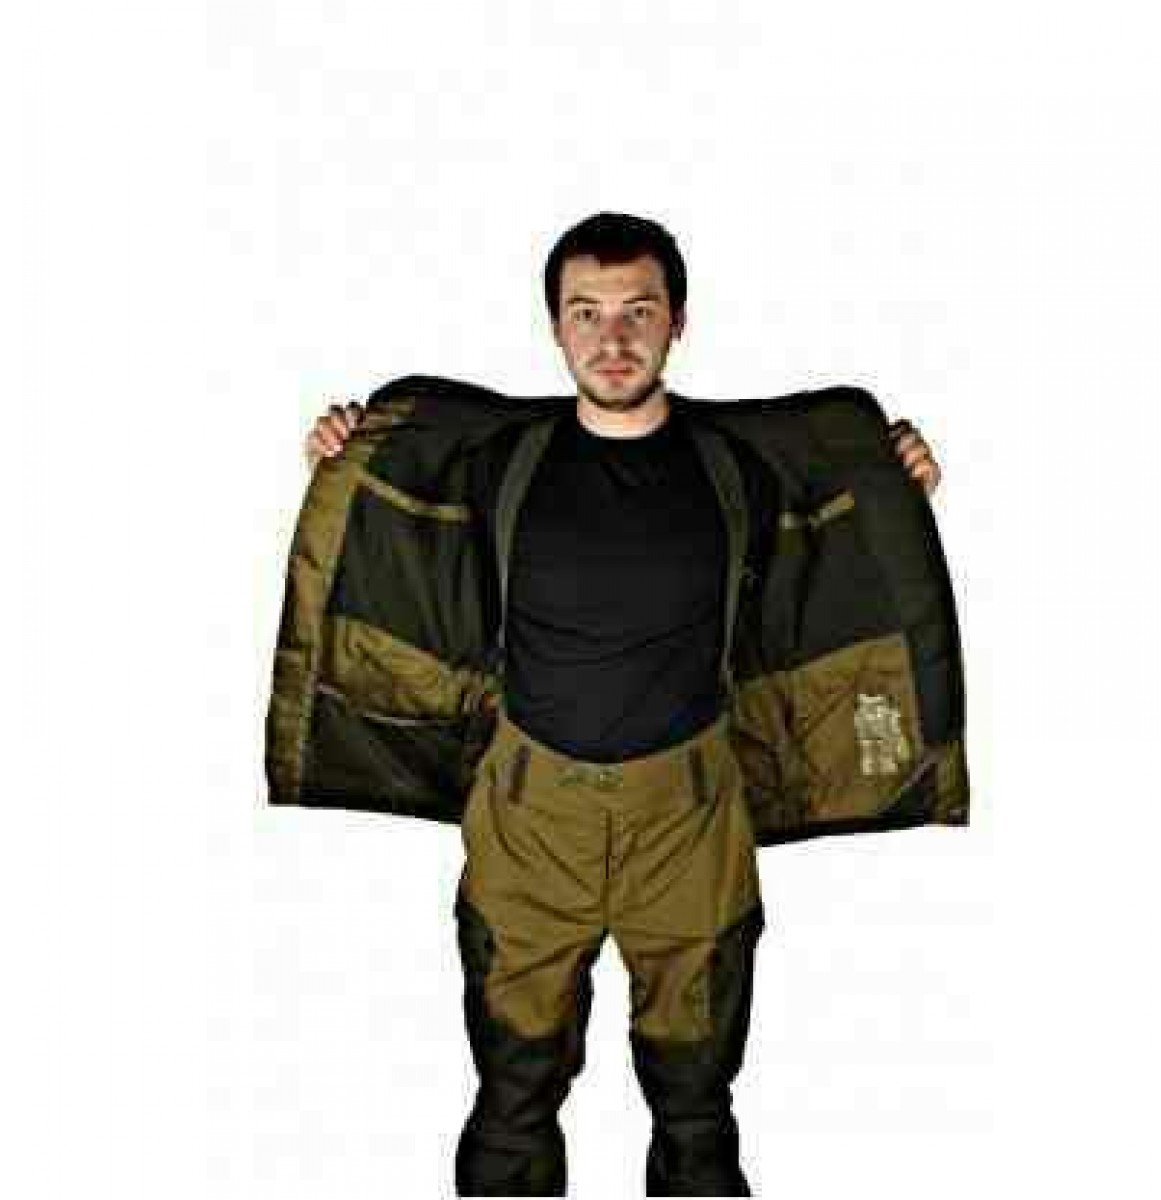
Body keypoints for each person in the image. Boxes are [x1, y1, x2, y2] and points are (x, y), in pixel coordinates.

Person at [296, 213, 944, 1196]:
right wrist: (349, 453)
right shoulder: (499, 461)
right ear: (555, 326)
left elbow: (838, 517)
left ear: (677, 321)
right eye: (586, 313)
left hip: (691, 823)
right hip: (529, 822)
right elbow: (400, 509)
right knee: (511, 1105)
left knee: (697, 1114)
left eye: (638, 311)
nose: (612, 338)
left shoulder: (738, 464)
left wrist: (896, 475)